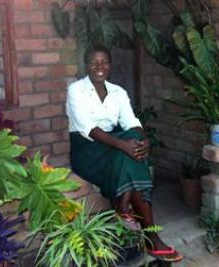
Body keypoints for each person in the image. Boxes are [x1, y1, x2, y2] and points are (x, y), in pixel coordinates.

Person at [66, 46, 183, 262]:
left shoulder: (118, 92)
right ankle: (151, 236)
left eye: (104, 62)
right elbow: (89, 129)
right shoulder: (76, 90)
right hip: (87, 149)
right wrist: (124, 145)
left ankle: (124, 204)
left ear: (110, 65)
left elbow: (132, 123)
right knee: (126, 152)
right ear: (86, 65)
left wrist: (142, 141)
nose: (99, 66)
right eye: (94, 62)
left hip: (112, 145)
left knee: (131, 139)